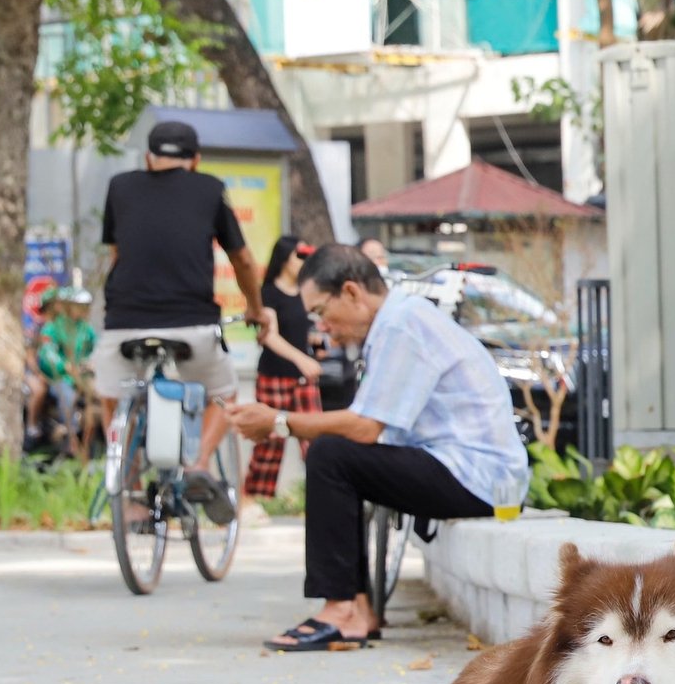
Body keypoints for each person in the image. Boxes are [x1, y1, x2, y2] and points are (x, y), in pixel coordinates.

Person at [226, 244, 530, 650]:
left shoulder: (402, 325)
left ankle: (341, 610)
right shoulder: (398, 322)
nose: (322, 327)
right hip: (468, 473)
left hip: (478, 479)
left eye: (320, 312)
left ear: (352, 292)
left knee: (330, 455)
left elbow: (366, 427)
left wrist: (280, 423)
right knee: (339, 455)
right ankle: (359, 610)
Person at [88, 120, 269, 522]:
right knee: (223, 392)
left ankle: (131, 490)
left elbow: (119, 254)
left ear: (149, 159)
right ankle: (199, 464)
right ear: (196, 160)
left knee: (113, 394)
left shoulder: (120, 186)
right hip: (193, 325)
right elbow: (241, 259)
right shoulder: (209, 187)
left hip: (124, 324)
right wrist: (256, 308)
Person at [244, 235, 321, 501]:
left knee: (314, 439)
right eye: (299, 256)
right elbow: (270, 335)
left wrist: (315, 345)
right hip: (275, 375)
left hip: (304, 379)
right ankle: (255, 499)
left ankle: (322, 496)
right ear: (285, 258)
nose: (304, 262)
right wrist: (301, 358)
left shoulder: (305, 293)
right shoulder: (269, 294)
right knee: (269, 440)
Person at [36, 287, 97, 456]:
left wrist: (92, 362)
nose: (82, 310)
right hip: (61, 378)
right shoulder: (53, 327)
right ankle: (72, 441)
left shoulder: (86, 328)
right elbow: (48, 354)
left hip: (84, 378)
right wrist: (64, 366)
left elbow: (96, 348)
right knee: (68, 399)